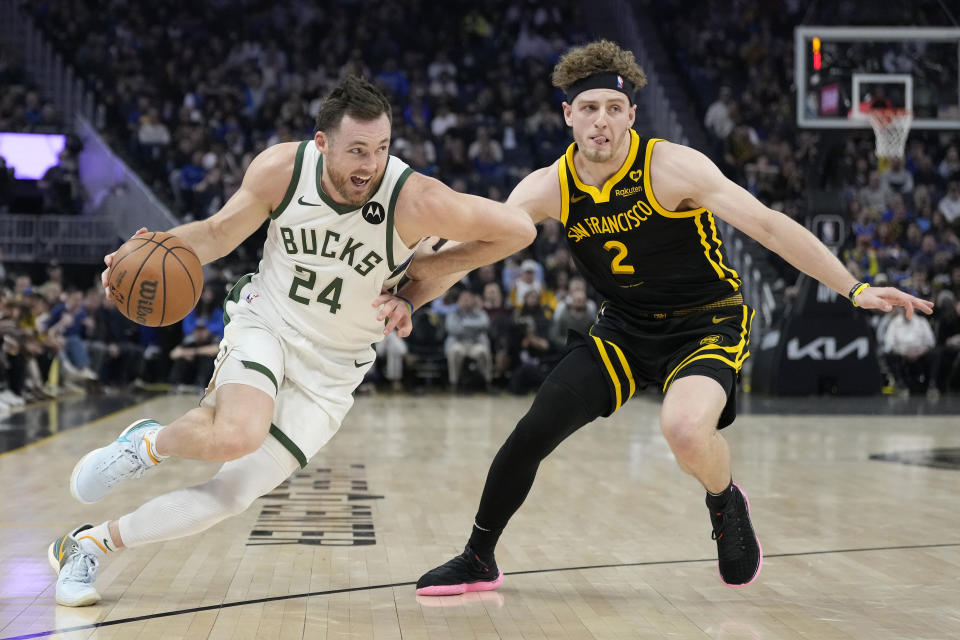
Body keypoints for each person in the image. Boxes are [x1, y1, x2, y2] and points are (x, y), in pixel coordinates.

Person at [412, 40, 933, 596]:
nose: (601, 122)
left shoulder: (672, 166)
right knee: (532, 431)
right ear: (568, 115)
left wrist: (853, 288)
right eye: (588, 109)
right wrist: (411, 296)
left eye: (614, 110)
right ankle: (478, 556)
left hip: (705, 321)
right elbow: (471, 248)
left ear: (632, 115)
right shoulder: (547, 186)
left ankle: (724, 500)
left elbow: (770, 226)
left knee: (684, 430)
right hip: (624, 327)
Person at [48, 76, 536, 607]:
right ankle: (145, 447)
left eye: (381, 148)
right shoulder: (283, 169)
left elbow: (517, 230)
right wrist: (139, 250)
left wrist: (419, 283)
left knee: (230, 496)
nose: (369, 165)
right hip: (269, 321)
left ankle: (88, 545)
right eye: (356, 150)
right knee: (238, 433)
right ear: (322, 143)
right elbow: (214, 234)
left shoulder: (415, 198)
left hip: (334, 369)